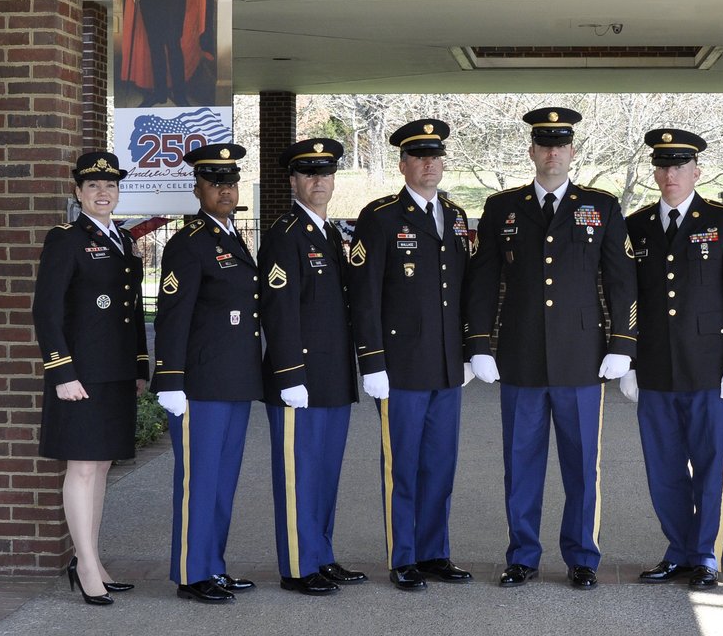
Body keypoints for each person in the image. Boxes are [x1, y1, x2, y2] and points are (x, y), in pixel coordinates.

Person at [465, 107, 638, 590]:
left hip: (582, 358)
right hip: (520, 356)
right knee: (521, 464)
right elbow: (482, 281)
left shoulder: (600, 206)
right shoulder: (502, 207)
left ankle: (583, 556)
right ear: (532, 151)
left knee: (583, 465)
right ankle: (522, 555)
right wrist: (479, 344)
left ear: (572, 151)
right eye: (544, 144)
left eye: (561, 145)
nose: (552, 153)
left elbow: (622, 281)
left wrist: (623, 342)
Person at [619, 129, 723, 589]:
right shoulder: (636, 225)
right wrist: (631, 357)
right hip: (657, 368)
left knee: (710, 465)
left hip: (709, 369)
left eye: (679, 166)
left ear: (696, 172)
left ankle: (706, 555)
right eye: (662, 166)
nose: (670, 174)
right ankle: (677, 550)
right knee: (664, 467)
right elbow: (626, 296)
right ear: (655, 173)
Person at [347, 119, 473, 592]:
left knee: (440, 463)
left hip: (445, 365)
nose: (428, 164)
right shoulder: (379, 217)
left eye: (435, 156)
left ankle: (435, 551)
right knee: (402, 465)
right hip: (399, 366)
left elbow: (462, 290)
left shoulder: (456, 215)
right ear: (402, 165)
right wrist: (372, 361)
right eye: (418, 156)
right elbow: (364, 296)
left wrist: (465, 351)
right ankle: (403, 557)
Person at [32, 152, 149, 606]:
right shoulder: (66, 239)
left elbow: (132, 310)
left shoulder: (120, 239)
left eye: (111, 186)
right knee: (81, 467)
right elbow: (47, 310)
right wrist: (61, 371)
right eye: (94, 186)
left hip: (114, 373)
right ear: (78, 192)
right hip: (79, 375)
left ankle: (91, 558)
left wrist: (139, 367)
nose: (104, 193)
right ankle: (83, 564)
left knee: (100, 466)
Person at [151, 143, 260, 604]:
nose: (226, 191)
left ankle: (213, 566)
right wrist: (170, 378)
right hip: (199, 384)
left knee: (222, 480)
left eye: (231, 183)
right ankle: (191, 573)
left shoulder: (231, 236)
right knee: (199, 480)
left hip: (234, 381)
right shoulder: (189, 243)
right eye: (216, 184)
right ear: (197, 188)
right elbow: (172, 315)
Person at [260, 138, 365, 596]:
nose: (319, 181)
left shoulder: (328, 233)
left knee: (324, 472)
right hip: (298, 378)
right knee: (299, 474)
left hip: (332, 376)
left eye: (325, 173)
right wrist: (288, 375)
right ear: (293, 181)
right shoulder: (286, 234)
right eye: (309, 173)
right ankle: (298, 566)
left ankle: (321, 554)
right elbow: (278, 310)